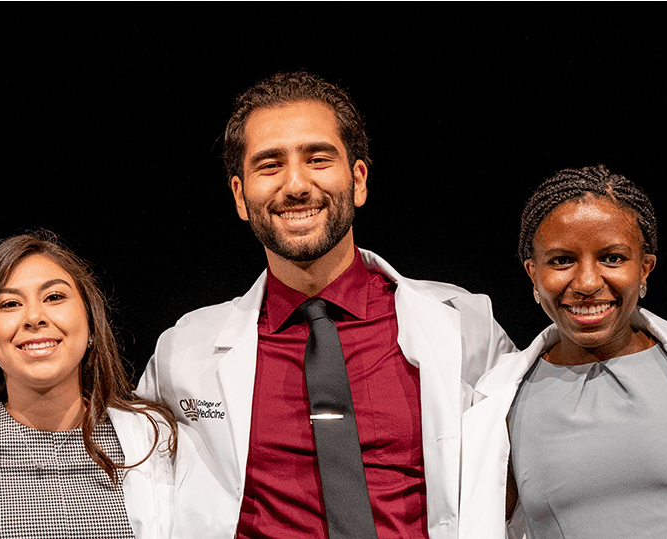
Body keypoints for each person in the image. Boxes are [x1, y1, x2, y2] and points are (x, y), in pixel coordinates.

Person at [137, 71, 516, 539]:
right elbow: (130, 478)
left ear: (358, 179)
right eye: (269, 165)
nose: (295, 185)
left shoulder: (465, 327)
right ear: (240, 195)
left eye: (318, 158)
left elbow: (533, 472)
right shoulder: (183, 352)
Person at [456, 165, 667, 539]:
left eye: (612, 258)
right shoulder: (497, 403)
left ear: (645, 268)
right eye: (562, 260)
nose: (588, 283)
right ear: (533, 273)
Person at [0, 230, 177, 539]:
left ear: (91, 326)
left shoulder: (157, 438)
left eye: (54, 297)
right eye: (9, 304)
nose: (34, 317)